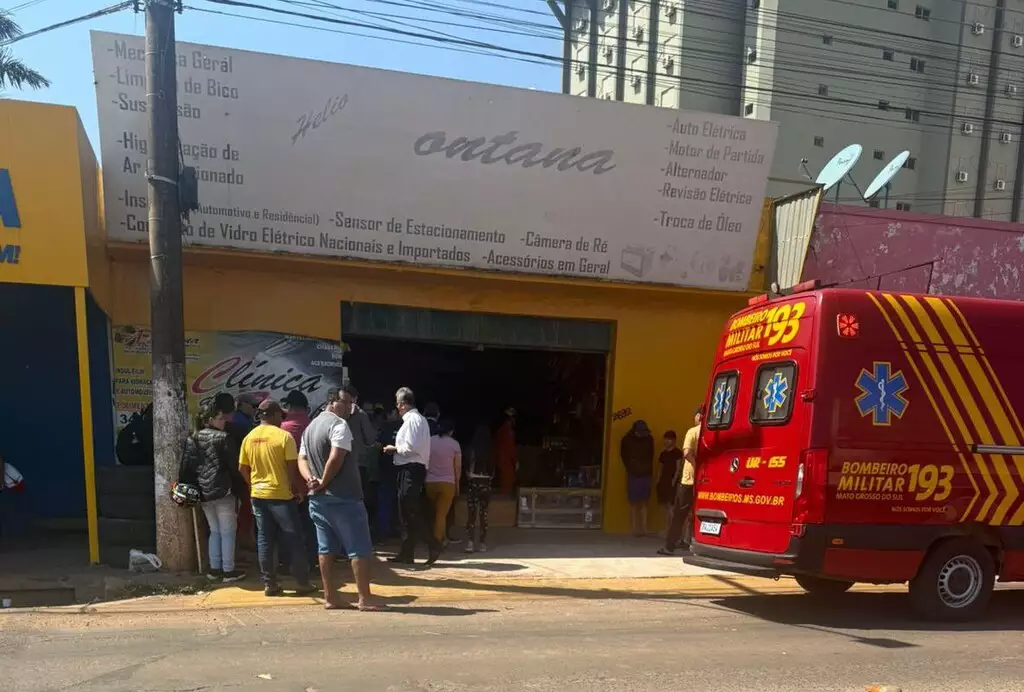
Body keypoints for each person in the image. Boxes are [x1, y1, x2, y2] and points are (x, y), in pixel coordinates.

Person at [298, 387, 383, 611]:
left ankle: (331, 597)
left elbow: (302, 459)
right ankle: (365, 598)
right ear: (333, 402)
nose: (350, 408)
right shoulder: (339, 425)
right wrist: (323, 481)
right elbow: (336, 457)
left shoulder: (311, 427)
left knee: (326, 549)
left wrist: (310, 480)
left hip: (318, 500)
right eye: (346, 403)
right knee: (359, 548)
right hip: (344, 497)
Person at [239, 398, 315, 596]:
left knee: (265, 539)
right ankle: (302, 583)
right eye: (280, 416)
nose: (282, 419)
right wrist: (295, 489)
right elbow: (291, 468)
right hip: (281, 496)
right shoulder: (284, 437)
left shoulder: (249, 437)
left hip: (258, 496)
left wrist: (252, 485)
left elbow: (242, 468)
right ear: (273, 415)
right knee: (294, 538)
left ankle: (270, 584)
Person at [181, 402, 246, 583]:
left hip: (203, 492)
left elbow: (186, 467)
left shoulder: (192, 439)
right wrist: (240, 490)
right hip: (224, 491)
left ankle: (215, 569)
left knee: (214, 530)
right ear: (210, 420)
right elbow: (235, 468)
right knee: (228, 531)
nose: (224, 421)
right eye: (220, 418)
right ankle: (228, 570)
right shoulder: (224, 438)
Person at [383, 387, 441, 565]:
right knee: (407, 512)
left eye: (397, 404)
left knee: (410, 510)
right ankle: (407, 552)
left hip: (411, 468)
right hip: (410, 468)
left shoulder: (413, 421)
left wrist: (393, 449)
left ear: (402, 404)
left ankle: (433, 544)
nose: (397, 408)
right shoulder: (417, 420)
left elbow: (410, 448)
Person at [279, 391, 317, 573]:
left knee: (287, 528)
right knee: (311, 527)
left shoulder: (281, 428)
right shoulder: (313, 426)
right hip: (311, 484)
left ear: (289, 407)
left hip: (287, 485)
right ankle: (312, 563)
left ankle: (287, 564)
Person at [660, 408, 702, 555]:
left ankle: (669, 546)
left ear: (698, 416)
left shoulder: (693, 432)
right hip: (706, 481)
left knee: (679, 515)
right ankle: (691, 541)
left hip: (689, 480)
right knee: (697, 515)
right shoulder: (713, 431)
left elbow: (687, 453)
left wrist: (697, 468)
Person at [425, 418, 461, 546]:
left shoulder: (429, 441)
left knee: (433, 513)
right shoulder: (454, 444)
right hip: (447, 483)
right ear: (451, 431)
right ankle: (437, 541)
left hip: (430, 482)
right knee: (441, 514)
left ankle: (438, 537)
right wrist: (457, 485)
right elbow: (457, 467)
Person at [621, 420, 655, 537]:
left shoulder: (649, 439)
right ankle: (634, 528)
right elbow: (624, 456)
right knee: (634, 503)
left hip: (645, 473)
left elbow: (651, 455)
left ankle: (644, 529)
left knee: (644, 503)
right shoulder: (627, 440)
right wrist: (631, 467)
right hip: (633, 474)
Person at [464, 423, 495, 553]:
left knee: (471, 515)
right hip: (485, 484)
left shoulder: (471, 450)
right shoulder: (491, 451)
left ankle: (470, 542)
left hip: (473, 484)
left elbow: (467, 470)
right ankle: (482, 543)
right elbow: (492, 473)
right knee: (484, 514)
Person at [374, 408, 402, 543]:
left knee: (385, 503)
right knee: (401, 503)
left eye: (389, 413)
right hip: (402, 471)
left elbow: (377, 445)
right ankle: (401, 532)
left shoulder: (386, 428)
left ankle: (383, 533)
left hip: (386, 470)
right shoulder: (406, 427)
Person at [655, 430, 683, 533]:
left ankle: (672, 530)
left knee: (672, 507)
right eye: (666, 439)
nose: (667, 441)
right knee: (666, 507)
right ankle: (667, 529)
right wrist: (658, 480)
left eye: (669, 439)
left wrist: (674, 481)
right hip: (664, 481)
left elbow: (678, 468)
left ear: (674, 440)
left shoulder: (677, 453)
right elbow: (660, 468)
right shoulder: (663, 454)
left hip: (673, 482)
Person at [495, 407, 517, 495]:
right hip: (506, 460)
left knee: (504, 481)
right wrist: (515, 460)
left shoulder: (501, 430)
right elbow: (510, 447)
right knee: (507, 481)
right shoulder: (508, 430)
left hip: (501, 459)